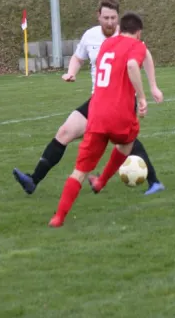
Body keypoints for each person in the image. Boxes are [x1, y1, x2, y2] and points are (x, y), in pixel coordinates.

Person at [13, 0, 166, 196]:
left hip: (121, 101)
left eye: (113, 18)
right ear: (98, 16)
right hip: (97, 101)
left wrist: (153, 87)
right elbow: (78, 57)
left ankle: (154, 181)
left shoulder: (126, 37)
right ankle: (33, 180)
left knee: (127, 142)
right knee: (65, 132)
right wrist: (71, 72)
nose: (110, 22)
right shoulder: (90, 36)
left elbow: (145, 54)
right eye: (106, 18)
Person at [49, 12, 150, 227]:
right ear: (138, 32)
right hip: (120, 113)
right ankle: (102, 181)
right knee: (128, 142)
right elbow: (132, 66)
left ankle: (58, 217)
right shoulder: (137, 46)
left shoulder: (106, 45)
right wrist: (142, 97)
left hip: (96, 113)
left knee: (79, 171)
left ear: (119, 28)